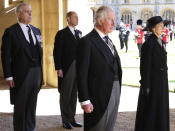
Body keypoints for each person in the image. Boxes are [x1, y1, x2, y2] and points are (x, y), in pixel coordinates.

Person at [76, 6, 122, 131]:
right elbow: (81, 74)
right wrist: (84, 100)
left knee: (109, 126)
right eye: (110, 19)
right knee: (98, 126)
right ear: (100, 21)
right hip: (98, 95)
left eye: (114, 19)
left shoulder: (109, 40)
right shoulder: (87, 41)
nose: (114, 23)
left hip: (114, 89)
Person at [1, 3, 43, 131]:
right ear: (18, 14)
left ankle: (30, 128)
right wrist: (8, 75)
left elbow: (39, 51)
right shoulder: (11, 32)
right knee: (20, 106)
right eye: (26, 12)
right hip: (21, 74)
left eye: (30, 11)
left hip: (36, 73)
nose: (30, 14)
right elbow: (6, 55)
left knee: (32, 104)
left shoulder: (36, 30)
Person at [135, 16, 169, 131]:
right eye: (160, 26)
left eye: (163, 26)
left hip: (161, 83)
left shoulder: (160, 40)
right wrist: (147, 87)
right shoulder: (148, 44)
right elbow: (145, 67)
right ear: (153, 29)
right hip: (153, 85)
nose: (163, 28)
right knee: (151, 114)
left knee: (161, 111)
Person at [53, 11, 82, 129]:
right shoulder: (61, 34)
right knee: (66, 94)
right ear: (68, 19)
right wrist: (58, 68)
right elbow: (57, 52)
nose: (77, 19)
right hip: (67, 68)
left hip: (78, 67)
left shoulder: (79, 33)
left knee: (74, 94)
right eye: (75, 17)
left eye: (77, 17)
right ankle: (65, 120)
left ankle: (72, 118)